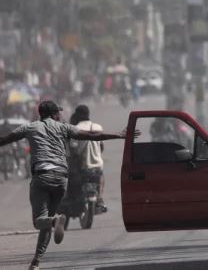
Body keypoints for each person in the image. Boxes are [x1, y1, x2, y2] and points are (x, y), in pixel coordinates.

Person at [0, 100, 131, 270]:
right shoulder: (63, 127)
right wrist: (118, 135)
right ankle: (36, 261)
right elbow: (91, 136)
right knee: (47, 223)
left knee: (40, 221)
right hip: (61, 179)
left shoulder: (30, 127)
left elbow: (6, 139)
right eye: (58, 112)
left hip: (42, 178)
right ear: (54, 114)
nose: (61, 114)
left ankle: (55, 221)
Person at [69, 105, 107, 212]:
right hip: (98, 165)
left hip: (83, 167)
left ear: (77, 115)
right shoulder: (98, 127)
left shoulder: (75, 129)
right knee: (101, 179)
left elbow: (73, 149)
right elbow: (101, 147)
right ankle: (99, 199)